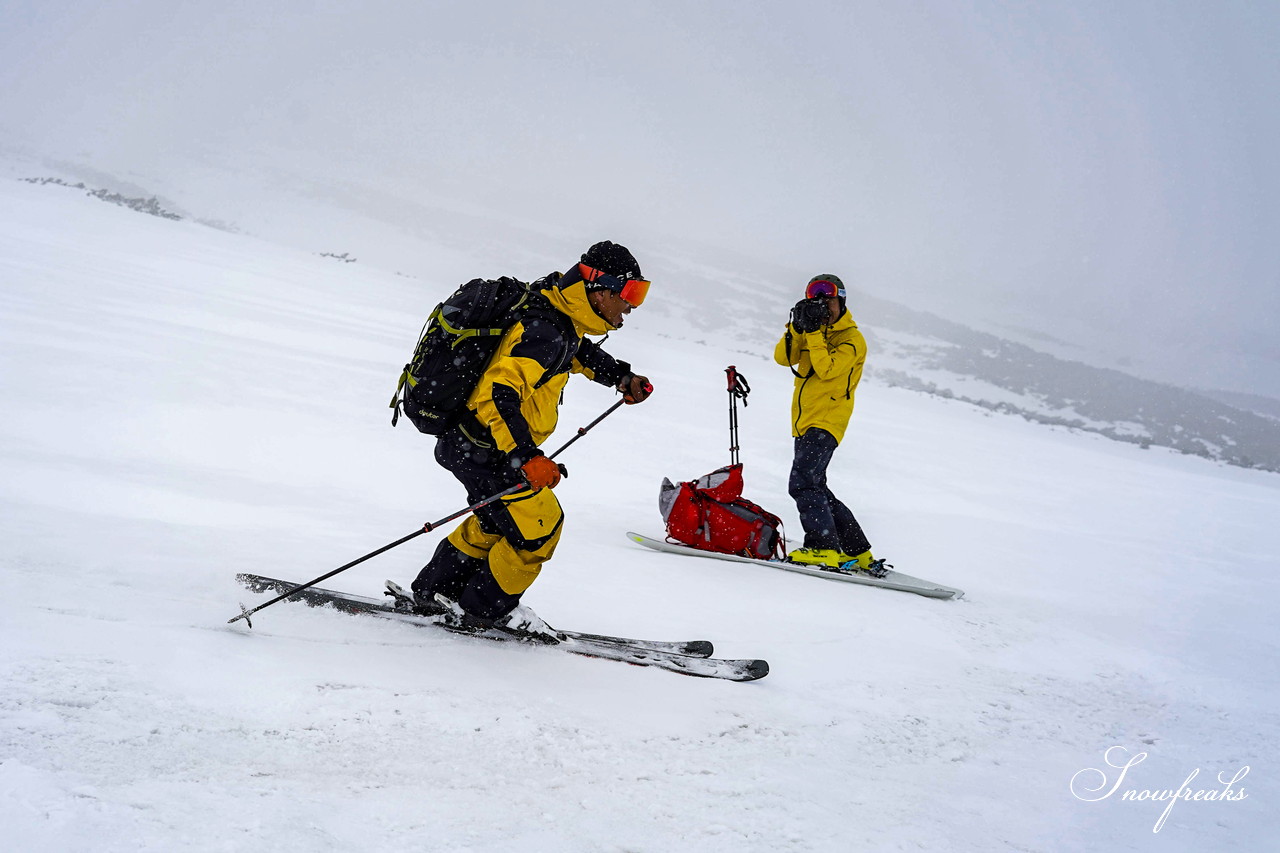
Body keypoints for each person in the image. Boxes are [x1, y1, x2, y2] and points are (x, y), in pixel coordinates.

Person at [408, 241, 653, 631]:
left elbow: (578, 353)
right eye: (629, 294)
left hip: (470, 442)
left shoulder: (555, 315)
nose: (632, 306)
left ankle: (436, 592)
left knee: (496, 522)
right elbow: (499, 391)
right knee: (540, 527)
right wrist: (525, 456)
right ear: (600, 290)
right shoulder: (547, 329)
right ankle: (483, 611)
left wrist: (620, 377)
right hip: (490, 449)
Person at [773, 274, 880, 571]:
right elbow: (783, 358)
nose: (823, 306)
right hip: (807, 419)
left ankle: (823, 548)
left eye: (829, 300)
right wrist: (797, 327)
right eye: (817, 300)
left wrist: (816, 334)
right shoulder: (812, 329)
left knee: (803, 483)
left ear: (841, 301)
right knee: (816, 485)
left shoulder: (852, 340)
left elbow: (827, 369)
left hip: (827, 421)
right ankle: (857, 551)